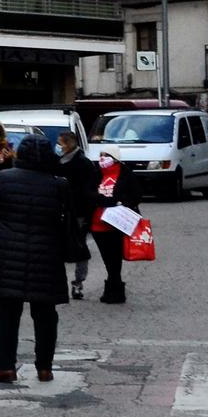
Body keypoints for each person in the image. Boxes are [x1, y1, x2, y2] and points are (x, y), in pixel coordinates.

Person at [0, 136, 73, 384]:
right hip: (46, 254)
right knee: (45, 315)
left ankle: (6, 367)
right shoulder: (58, 185)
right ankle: (44, 367)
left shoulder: (3, 179)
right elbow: (67, 223)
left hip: (7, 253)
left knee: (8, 314)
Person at [90, 150, 141, 304]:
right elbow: (87, 192)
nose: (102, 159)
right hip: (98, 224)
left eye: (106, 156)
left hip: (117, 224)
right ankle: (115, 287)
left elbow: (136, 195)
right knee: (108, 258)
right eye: (101, 155)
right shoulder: (96, 173)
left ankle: (114, 289)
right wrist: (99, 199)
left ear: (115, 159)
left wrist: (118, 202)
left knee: (115, 258)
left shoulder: (126, 174)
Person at [57, 130, 99, 300]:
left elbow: (89, 191)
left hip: (78, 212)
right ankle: (59, 282)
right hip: (61, 211)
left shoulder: (83, 164)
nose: (58, 147)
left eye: (60, 143)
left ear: (68, 144)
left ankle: (78, 282)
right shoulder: (59, 162)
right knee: (58, 247)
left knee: (79, 246)